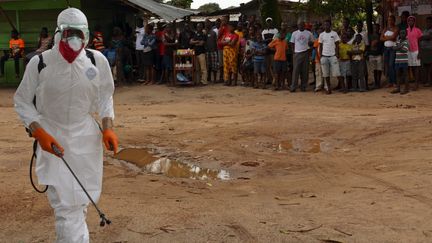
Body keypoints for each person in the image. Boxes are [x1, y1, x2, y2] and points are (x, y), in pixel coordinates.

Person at [14, 8, 118, 242]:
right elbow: (21, 101)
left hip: (86, 138)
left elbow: (105, 95)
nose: (75, 40)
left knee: (81, 199)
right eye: (70, 33)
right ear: (59, 32)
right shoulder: (39, 63)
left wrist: (108, 125)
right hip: (53, 138)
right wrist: (38, 131)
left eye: (80, 34)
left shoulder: (96, 60)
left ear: (87, 35)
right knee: (65, 205)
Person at [319, 19, 343, 94]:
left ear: (330, 25)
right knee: (326, 74)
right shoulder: (321, 35)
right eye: (325, 25)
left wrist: (337, 53)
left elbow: (337, 45)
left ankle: (343, 87)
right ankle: (329, 89)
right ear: (324, 26)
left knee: (337, 72)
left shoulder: (334, 34)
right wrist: (321, 56)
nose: (326, 26)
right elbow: (320, 46)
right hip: (324, 56)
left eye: (328, 25)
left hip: (333, 56)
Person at [290, 21, 314, 92]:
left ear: (304, 25)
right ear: (298, 25)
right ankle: (293, 86)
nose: (301, 26)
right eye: (299, 25)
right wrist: (293, 52)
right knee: (295, 71)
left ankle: (303, 86)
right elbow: (292, 43)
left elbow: (312, 43)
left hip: (306, 53)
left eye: (302, 25)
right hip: (297, 53)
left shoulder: (309, 33)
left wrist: (309, 50)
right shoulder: (294, 33)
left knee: (305, 70)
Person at [381, 15, 399, 88]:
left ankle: (394, 82)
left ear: (394, 21)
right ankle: (390, 82)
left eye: (391, 20)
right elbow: (381, 38)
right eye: (388, 20)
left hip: (392, 48)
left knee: (391, 65)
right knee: (387, 66)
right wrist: (389, 38)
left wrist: (386, 37)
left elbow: (394, 38)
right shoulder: (385, 29)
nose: (389, 21)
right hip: (386, 48)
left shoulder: (396, 28)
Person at [406, 15, 422, 90]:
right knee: (411, 67)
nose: (410, 22)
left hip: (416, 50)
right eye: (409, 20)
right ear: (408, 22)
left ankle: (416, 84)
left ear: (414, 21)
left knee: (416, 67)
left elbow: (420, 42)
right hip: (408, 51)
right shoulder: (406, 30)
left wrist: (420, 52)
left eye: (412, 20)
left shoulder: (418, 30)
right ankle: (412, 83)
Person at [391, 30, 409, 94]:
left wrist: (397, 47)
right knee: (397, 74)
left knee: (405, 74)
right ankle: (398, 88)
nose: (402, 34)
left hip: (404, 60)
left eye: (403, 33)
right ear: (399, 34)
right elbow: (393, 48)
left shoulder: (407, 41)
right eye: (401, 33)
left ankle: (406, 89)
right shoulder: (398, 41)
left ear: (406, 34)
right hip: (397, 60)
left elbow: (405, 50)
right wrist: (400, 46)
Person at [262, 17, 279, 85]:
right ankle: (269, 79)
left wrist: (268, 40)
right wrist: (269, 40)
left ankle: (274, 79)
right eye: (268, 22)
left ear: (272, 22)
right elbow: (263, 40)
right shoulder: (264, 31)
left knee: (272, 65)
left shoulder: (275, 30)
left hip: (272, 50)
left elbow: (274, 40)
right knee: (267, 65)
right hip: (266, 49)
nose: (269, 23)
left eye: (270, 21)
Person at [367, 23, 384, 89]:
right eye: (374, 28)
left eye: (377, 28)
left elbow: (382, 45)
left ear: (379, 28)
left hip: (379, 54)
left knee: (379, 69)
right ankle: (376, 82)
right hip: (372, 54)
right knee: (374, 70)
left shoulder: (381, 36)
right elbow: (368, 46)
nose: (375, 29)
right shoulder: (370, 36)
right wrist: (368, 53)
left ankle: (378, 83)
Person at [205, 19, 218, 83]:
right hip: (207, 51)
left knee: (214, 66)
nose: (206, 24)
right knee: (208, 65)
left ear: (210, 24)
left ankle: (215, 79)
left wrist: (216, 51)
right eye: (205, 23)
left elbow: (216, 42)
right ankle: (209, 77)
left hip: (213, 51)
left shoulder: (213, 32)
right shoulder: (204, 32)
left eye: (207, 23)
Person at [419, 17, 432, 86]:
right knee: (425, 66)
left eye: (429, 22)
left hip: (429, 50)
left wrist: (420, 37)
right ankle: (425, 80)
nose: (428, 23)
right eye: (427, 22)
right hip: (424, 50)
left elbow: (428, 37)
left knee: (430, 66)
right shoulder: (424, 30)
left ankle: (429, 81)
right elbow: (421, 37)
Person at [217, 16, 229, 82]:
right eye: (222, 20)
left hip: (226, 47)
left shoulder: (228, 28)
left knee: (226, 63)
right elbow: (218, 36)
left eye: (224, 20)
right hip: (220, 47)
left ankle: (226, 77)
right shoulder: (221, 28)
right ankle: (221, 77)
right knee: (221, 63)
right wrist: (221, 27)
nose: (223, 21)